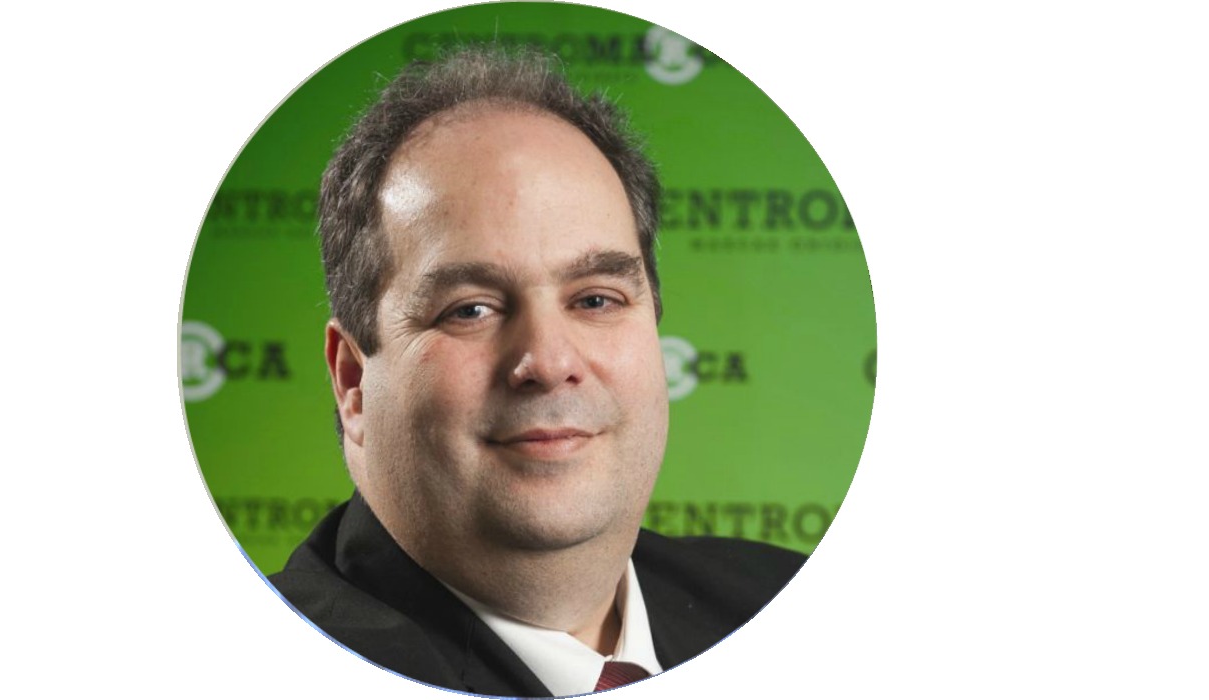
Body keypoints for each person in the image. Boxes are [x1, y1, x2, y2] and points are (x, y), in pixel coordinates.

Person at [267, 44, 807, 697]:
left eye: (596, 299)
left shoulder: (792, 608)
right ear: (353, 383)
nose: (550, 363)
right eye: (470, 310)